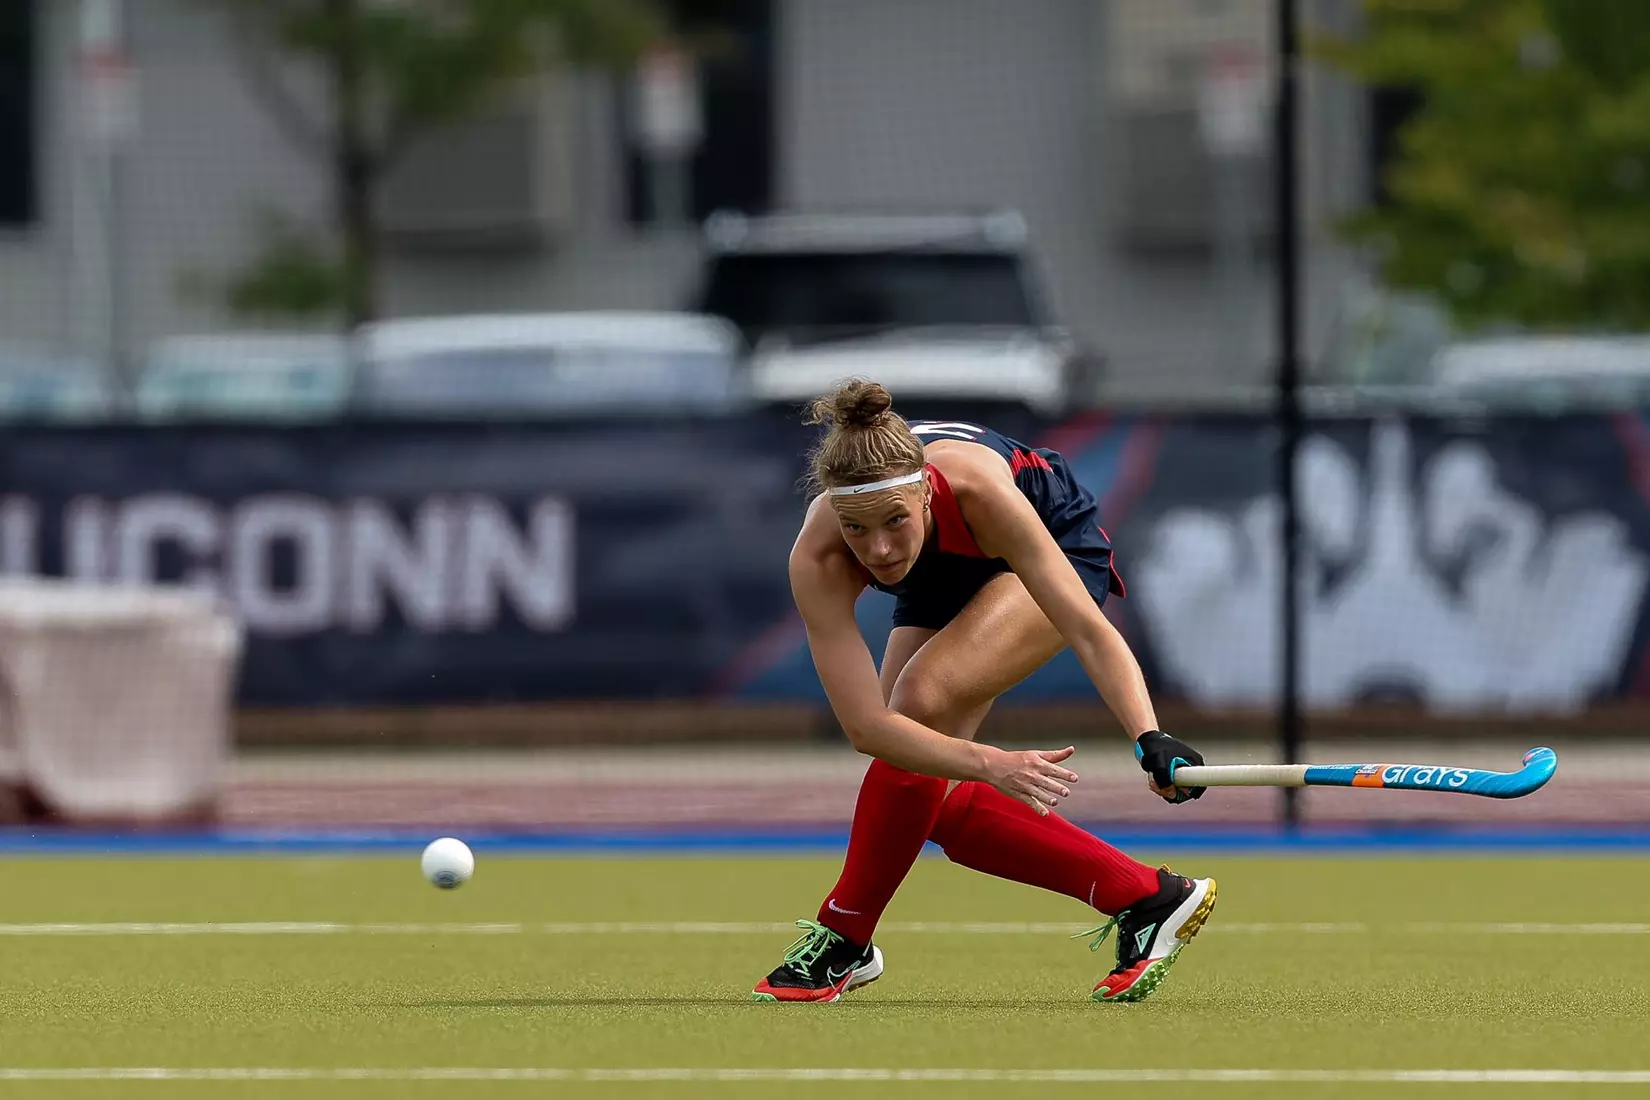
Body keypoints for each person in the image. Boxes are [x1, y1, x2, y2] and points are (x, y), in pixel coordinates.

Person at [752, 380, 1216, 1005]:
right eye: (858, 529)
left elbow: (1086, 628)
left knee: (921, 703)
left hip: (1045, 542)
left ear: (923, 493)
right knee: (918, 772)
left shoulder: (979, 492)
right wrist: (988, 764)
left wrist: (1148, 736)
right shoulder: (820, 556)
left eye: (893, 520)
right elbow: (865, 728)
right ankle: (1145, 897)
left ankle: (843, 938)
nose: (879, 549)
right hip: (937, 567)